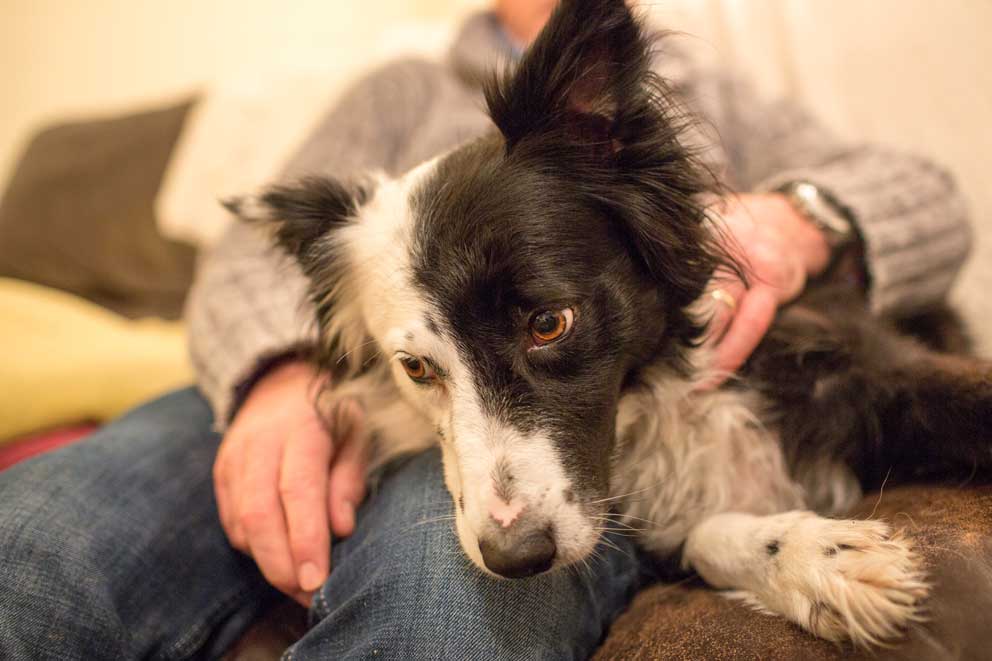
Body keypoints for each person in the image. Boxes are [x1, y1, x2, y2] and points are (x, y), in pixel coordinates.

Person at [0, 1, 972, 659]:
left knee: (440, 599)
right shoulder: (394, 91)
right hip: (326, 383)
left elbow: (922, 191)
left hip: (507, 409)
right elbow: (256, 255)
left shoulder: (698, 101)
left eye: (545, 318)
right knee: (33, 542)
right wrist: (277, 377)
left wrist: (797, 214)